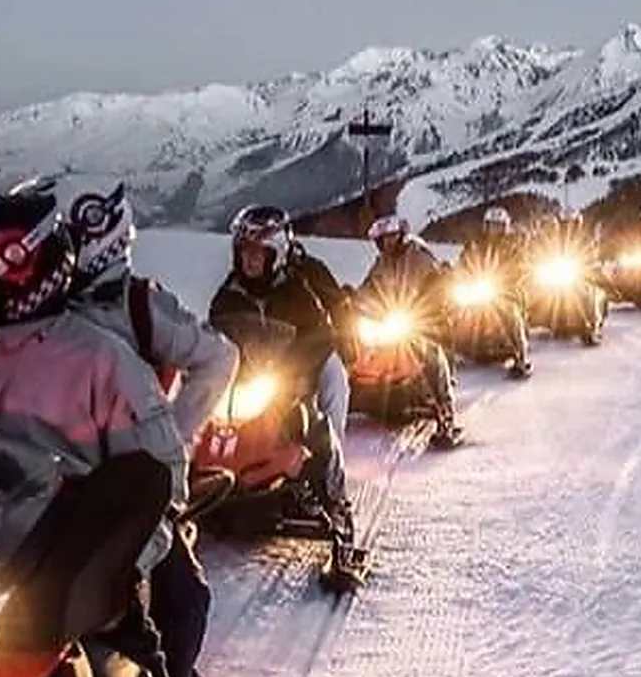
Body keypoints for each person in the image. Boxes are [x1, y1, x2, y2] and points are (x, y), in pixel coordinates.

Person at [0, 191, 189, 677]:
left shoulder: (102, 363)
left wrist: (106, 572)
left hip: (74, 601)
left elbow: (160, 486)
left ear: (18, 271)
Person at [23, 176, 238, 677]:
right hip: (48, 475)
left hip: (127, 480)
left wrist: (172, 441)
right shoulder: (38, 306)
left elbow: (218, 356)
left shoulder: (141, 304)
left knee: (182, 599)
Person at [208, 204, 363, 565]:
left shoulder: (297, 289)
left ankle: (333, 490)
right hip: (249, 378)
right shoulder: (227, 295)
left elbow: (320, 335)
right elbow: (215, 333)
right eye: (244, 254)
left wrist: (298, 368)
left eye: (258, 255)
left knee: (331, 384)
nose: (250, 262)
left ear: (275, 255)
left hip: (291, 375)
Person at [359, 214, 464, 444]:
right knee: (358, 346)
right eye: (382, 239)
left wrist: (432, 301)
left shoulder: (417, 256)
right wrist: (353, 302)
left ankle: (446, 415)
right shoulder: (382, 262)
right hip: (394, 317)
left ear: (401, 235)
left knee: (429, 355)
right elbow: (368, 286)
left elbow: (437, 282)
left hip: (426, 318)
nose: (387, 242)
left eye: (392, 237)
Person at [456, 206, 531, 377]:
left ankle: (521, 357)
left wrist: (511, 279)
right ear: (485, 226)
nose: (494, 230)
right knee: (452, 308)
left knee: (510, 312)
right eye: (491, 225)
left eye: (498, 225)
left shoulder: (513, 247)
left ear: (505, 227)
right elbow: (464, 264)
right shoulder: (474, 246)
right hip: (478, 289)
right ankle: (448, 354)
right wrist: (457, 276)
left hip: (507, 292)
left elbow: (521, 267)